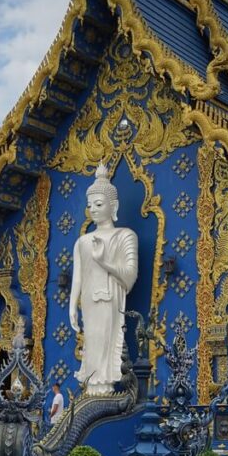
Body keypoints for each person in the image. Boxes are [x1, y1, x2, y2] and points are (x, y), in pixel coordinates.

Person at [69, 163, 139, 395]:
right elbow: (77, 278)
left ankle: (105, 387)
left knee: (106, 342)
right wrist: (72, 305)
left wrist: (104, 261)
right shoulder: (82, 242)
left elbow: (130, 276)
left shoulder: (125, 235)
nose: (94, 210)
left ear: (113, 206)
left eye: (99, 204)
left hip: (110, 300)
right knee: (91, 341)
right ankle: (91, 386)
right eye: (90, 206)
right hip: (89, 302)